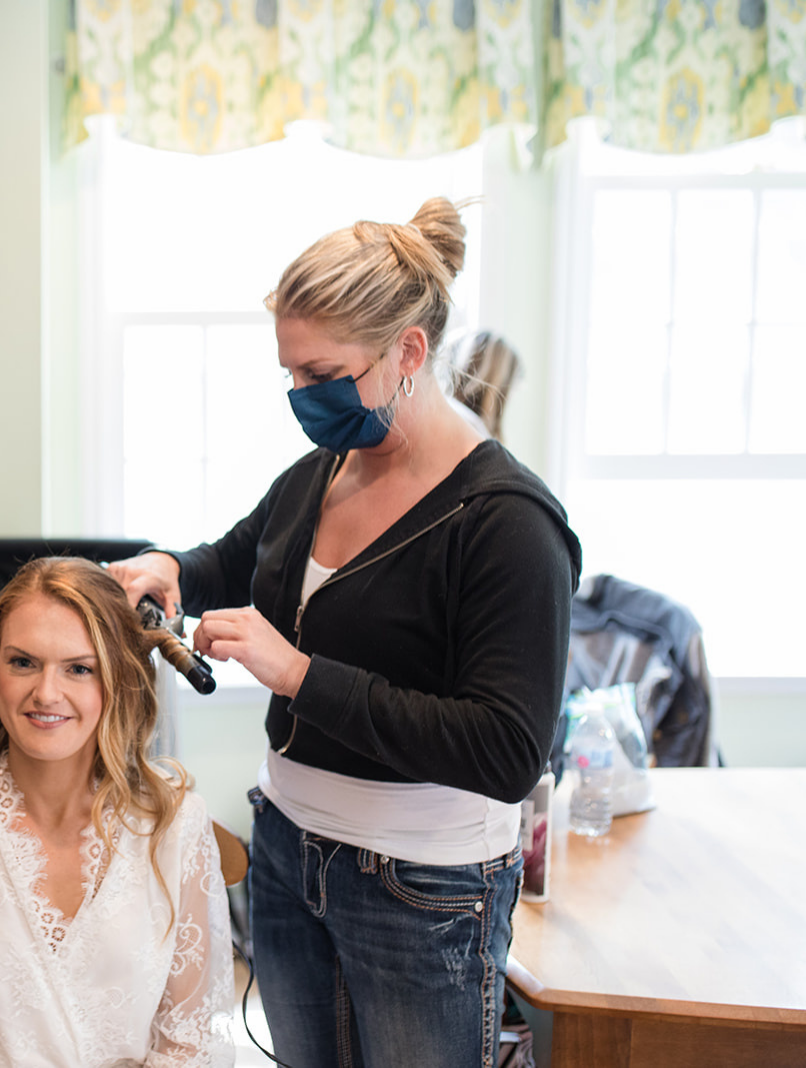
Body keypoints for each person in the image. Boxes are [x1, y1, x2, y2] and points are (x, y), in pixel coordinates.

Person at [107, 199, 581, 1068]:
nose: (302, 397)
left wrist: (299, 675)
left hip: (424, 890)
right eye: (290, 374)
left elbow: (508, 750)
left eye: (322, 373)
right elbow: (246, 552)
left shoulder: (507, 524)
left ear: (408, 351)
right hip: (290, 852)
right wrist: (174, 568)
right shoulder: (330, 466)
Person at [0, 557, 235, 1067]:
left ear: (119, 680)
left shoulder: (176, 828)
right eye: (23, 662)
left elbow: (189, 1042)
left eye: (79, 668)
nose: (46, 693)